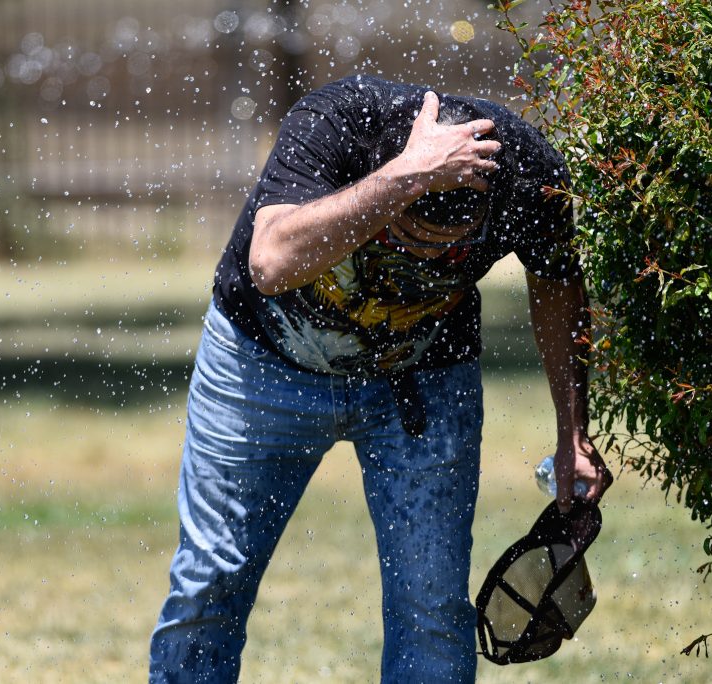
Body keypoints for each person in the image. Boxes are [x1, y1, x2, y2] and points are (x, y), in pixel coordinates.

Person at [149, 75, 612, 683]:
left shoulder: (525, 172)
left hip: (421, 380)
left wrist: (572, 430)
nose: (423, 262)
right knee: (209, 583)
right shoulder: (336, 123)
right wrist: (406, 177)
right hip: (263, 364)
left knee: (431, 608)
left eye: (447, 251)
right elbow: (270, 261)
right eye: (409, 241)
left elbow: (556, 283)